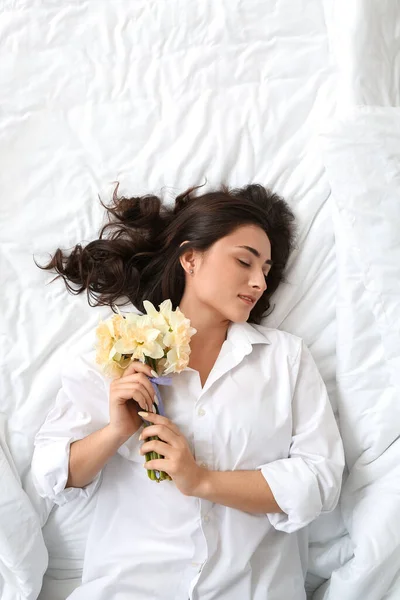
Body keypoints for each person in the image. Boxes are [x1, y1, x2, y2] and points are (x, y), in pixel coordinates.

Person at [31, 183, 345, 600]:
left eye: (266, 271)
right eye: (244, 262)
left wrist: (202, 481)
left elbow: (319, 480)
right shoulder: (116, 350)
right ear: (190, 257)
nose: (258, 283)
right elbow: (52, 476)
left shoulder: (284, 359)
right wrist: (114, 431)